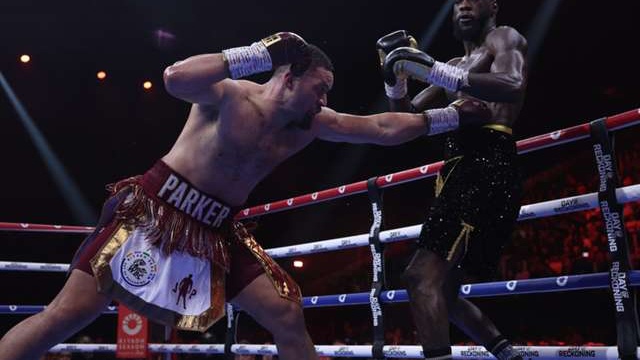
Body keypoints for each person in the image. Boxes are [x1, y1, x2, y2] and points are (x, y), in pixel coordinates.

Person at [0, 31, 490, 360]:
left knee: (285, 311)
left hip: (215, 228)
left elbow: (381, 128)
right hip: (155, 209)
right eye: (319, 88)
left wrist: (451, 117)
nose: (324, 100)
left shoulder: (311, 124)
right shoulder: (231, 94)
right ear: (287, 75)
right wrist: (257, 51)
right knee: (68, 315)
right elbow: (176, 78)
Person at [377, 0, 528, 360]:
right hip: (460, 168)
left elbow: (512, 84)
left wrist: (434, 72)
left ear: (492, 7)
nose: (464, 5)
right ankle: (510, 355)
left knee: (418, 276)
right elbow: (404, 122)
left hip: (486, 162)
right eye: (459, 0)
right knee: (445, 291)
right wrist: (394, 81)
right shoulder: (453, 64)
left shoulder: (503, 38)